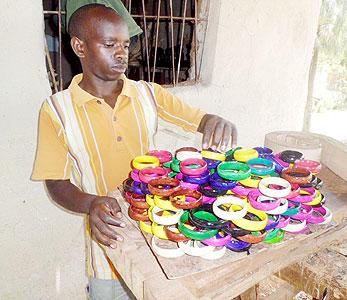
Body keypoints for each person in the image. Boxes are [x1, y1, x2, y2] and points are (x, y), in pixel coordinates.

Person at [31, 3, 237, 300]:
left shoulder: (148, 94)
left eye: (125, 44)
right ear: (80, 46)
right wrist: (91, 204)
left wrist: (214, 122)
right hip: (108, 249)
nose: (121, 53)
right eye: (109, 44)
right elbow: (55, 181)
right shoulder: (57, 111)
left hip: (158, 240)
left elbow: (199, 119)